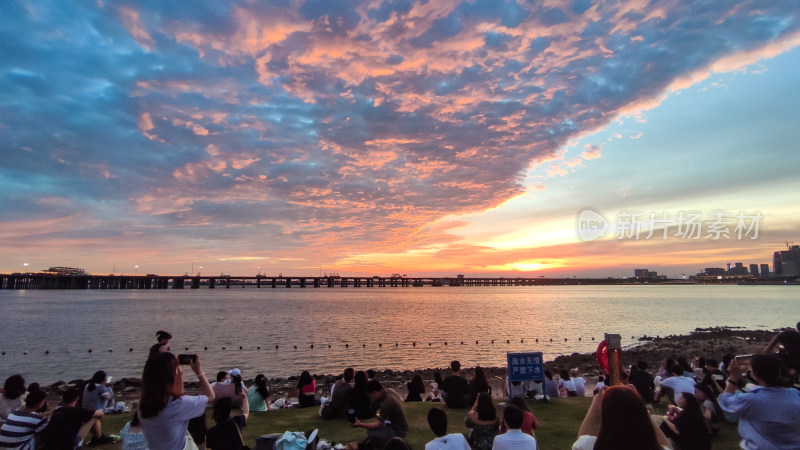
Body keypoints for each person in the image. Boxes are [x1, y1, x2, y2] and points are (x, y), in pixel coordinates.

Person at [718, 354, 800, 449]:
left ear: (757, 375)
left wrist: (733, 377)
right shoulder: (795, 394)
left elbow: (726, 401)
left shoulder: (752, 400)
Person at [138, 352, 214, 450]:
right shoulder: (178, 404)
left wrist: (179, 375)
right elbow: (210, 396)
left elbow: (178, 396)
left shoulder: (143, 403)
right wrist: (198, 372)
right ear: (170, 376)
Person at [572, 385, 672, 450]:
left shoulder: (589, 445)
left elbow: (581, 440)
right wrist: (642, 409)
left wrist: (594, 408)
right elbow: (668, 447)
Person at [39, 387, 112, 449]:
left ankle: (98, 438)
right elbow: (99, 413)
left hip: (49, 446)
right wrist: (104, 409)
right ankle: (98, 438)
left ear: (63, 399)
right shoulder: (77, 411)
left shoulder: (56, 411)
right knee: (94, 419)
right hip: (69, 446)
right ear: (77, 399)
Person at [347, 380, 408, 450]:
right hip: (394, 424)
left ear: (374, 393)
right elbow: (401, 401)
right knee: (372, 430)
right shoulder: (389, 390)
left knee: (372, 434)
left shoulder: (387, 403)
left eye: (371, 396)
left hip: (398, 431)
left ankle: (384, 447)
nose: (371, 399)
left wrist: (360, 424)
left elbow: (379, 425)